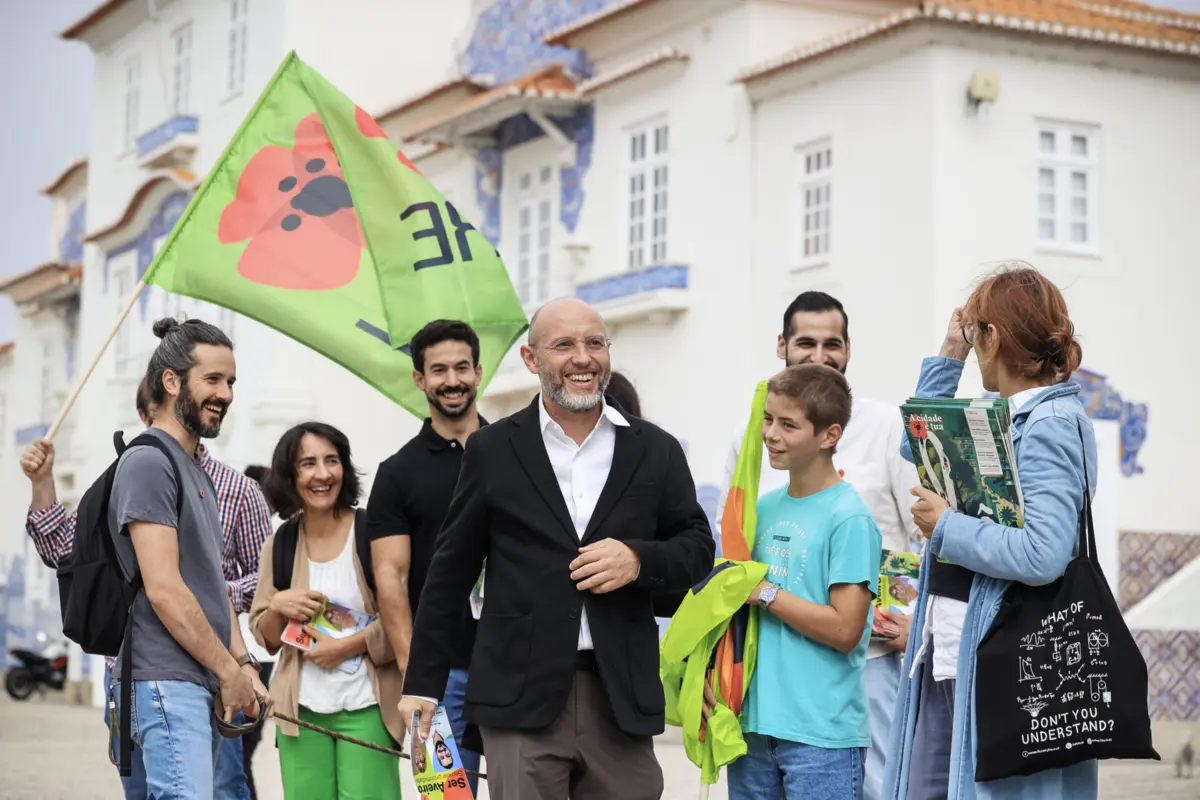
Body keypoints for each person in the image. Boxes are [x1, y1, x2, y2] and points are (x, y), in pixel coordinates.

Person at [398, 297, 716, 800]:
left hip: (620, 697)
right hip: (518, 698)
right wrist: (422, 684)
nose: (582, 358)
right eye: (563, 344)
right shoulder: (493, 450)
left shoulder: (656, 449)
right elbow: (450, 575)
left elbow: (698, 548)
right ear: (531, 360)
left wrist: (638, 560)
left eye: (595, 343)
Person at [883, 264, 1097, 800]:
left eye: (976, 332)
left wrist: (946, 527)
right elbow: (917, 446)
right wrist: (949, 355)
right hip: (954, 644)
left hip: (1000, 655)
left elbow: (1043, 554)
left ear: (994, 337)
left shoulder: (1046, 425)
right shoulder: (1001, 414)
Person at [20, 373, 272, 800]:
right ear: (143, 415)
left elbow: (264, 579)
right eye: (146, 416)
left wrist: (218, 618)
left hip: (216, 675)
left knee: (224, 788)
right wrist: (44, 484)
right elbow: (67, 552)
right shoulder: (133, 472)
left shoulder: (237, 489)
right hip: (129, 672)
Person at [715, 290, 922, 799]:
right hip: (765, 682)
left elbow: (925, 535)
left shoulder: (884, 427)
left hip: (865, 666)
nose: (820, 354)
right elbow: (733, 552)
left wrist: (915, 627)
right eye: (806, 341)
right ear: (782, 344)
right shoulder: (752, 443)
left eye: (833, 343)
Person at [106, 317, 271, 800]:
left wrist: (243, 664)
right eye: (213, 380)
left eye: (231, 381)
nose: (226, 393)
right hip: (164, 684)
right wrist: (228, 672)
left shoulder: (192, 467)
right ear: (172, 381)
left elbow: (211, 586)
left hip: (189, 682)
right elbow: (165, 589)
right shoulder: (150, 462)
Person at [708, 363, 881, 799]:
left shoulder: (850, 517)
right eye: (768, 419)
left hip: (821, 737)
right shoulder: (760, 509)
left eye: (788, 424)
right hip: (751, 728)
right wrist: (713, 676)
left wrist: (764, 592)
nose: (770, 434)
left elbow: (846, 630)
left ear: (829, 435)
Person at [249, 422, 403, 800]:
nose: (322, 474)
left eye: (331, 461)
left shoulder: (373, 531)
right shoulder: (280, 543)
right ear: (290, 475)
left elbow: (403, 618)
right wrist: (279, 606)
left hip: (368, 706)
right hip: (300, 713)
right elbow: (265, 635)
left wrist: (347, 647)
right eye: (308, 463)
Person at [365, 319, 487, 791]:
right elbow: (389, 578)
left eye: (461, 367)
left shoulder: (516, 454)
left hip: (516, 665)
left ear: (478, 372)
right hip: (439, 674)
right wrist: (419, 678)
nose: (451, 380)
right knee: (447, 796)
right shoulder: (396, 473)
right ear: (420, 379)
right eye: (439, 370)